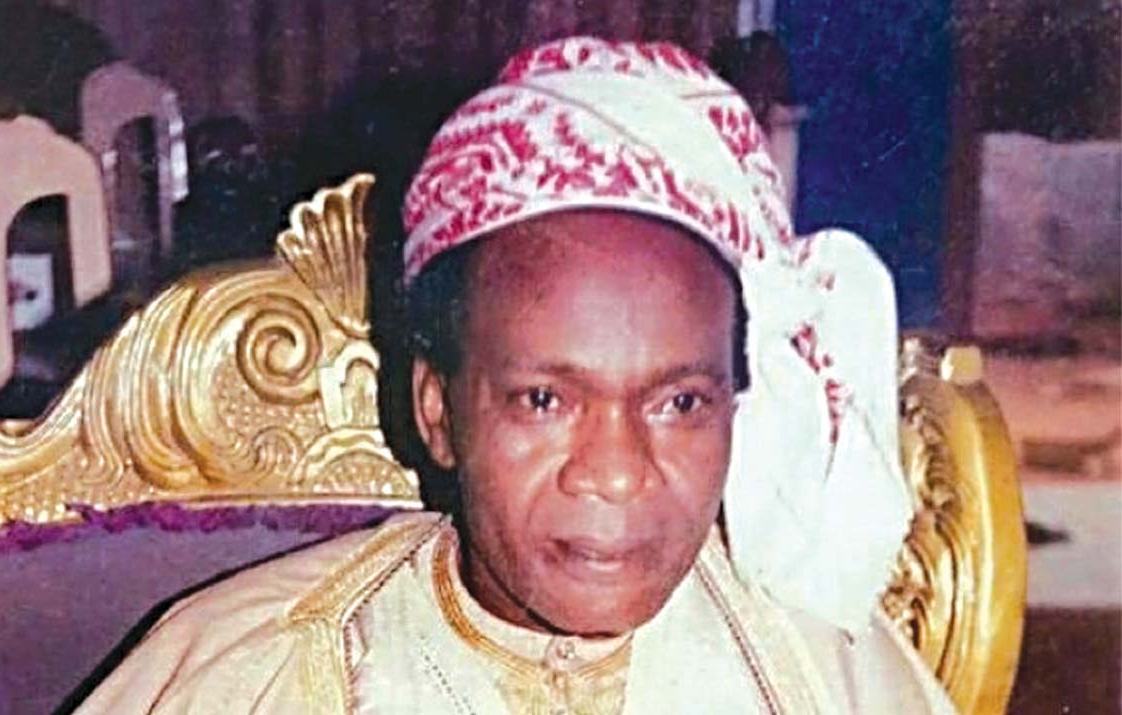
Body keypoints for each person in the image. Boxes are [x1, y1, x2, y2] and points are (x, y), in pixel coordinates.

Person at [75, 37, 956, 714]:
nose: (616, 472)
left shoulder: (818, 673)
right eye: (545, 399)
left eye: (679, 402)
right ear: (438, 410)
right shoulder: (253, 675)